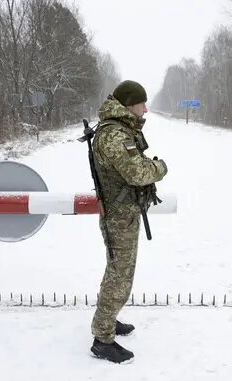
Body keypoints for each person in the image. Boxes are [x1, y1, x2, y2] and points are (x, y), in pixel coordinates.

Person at [89, 80, 168, 363]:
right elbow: (137, 173)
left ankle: (109, 320)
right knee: (119, 276)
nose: (145, 109)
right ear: (129, 104)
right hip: (118, 217)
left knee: (120, 272)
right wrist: (160, 167)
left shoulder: (120, 130)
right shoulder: (113, 136)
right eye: (141, 104)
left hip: (124, 214)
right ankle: (102, 337)